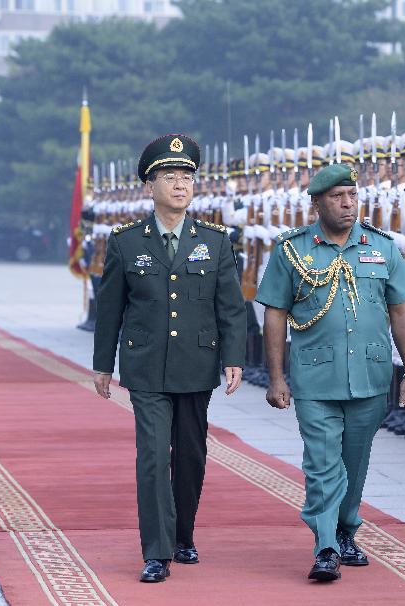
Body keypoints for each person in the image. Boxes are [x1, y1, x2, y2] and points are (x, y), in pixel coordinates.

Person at [92, 134, 247, 583]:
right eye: (170, 177)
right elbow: (111, 308)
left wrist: (233, 357)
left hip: (196, 365)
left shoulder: (215, 241)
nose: (180, 185)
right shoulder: (125, 242)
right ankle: (157, 551)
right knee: (154, 455)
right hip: (145, 367)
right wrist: (104, 363)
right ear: (150, 185)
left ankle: (184, 535)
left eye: (187, 177)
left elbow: (231, 306)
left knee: (192, 456)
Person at [255, 163, 405, 582]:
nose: (348, 204)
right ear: (316, 203)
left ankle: (347, 529)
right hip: (316, 377)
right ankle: (326, 545)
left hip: (370, 373)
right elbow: (274, 314)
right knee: (323, 463)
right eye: (337, 197)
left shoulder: (381, 247)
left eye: (352, 196)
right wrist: (276, 378)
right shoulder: (292, 250)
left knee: (355, 461)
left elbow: (402, 311)